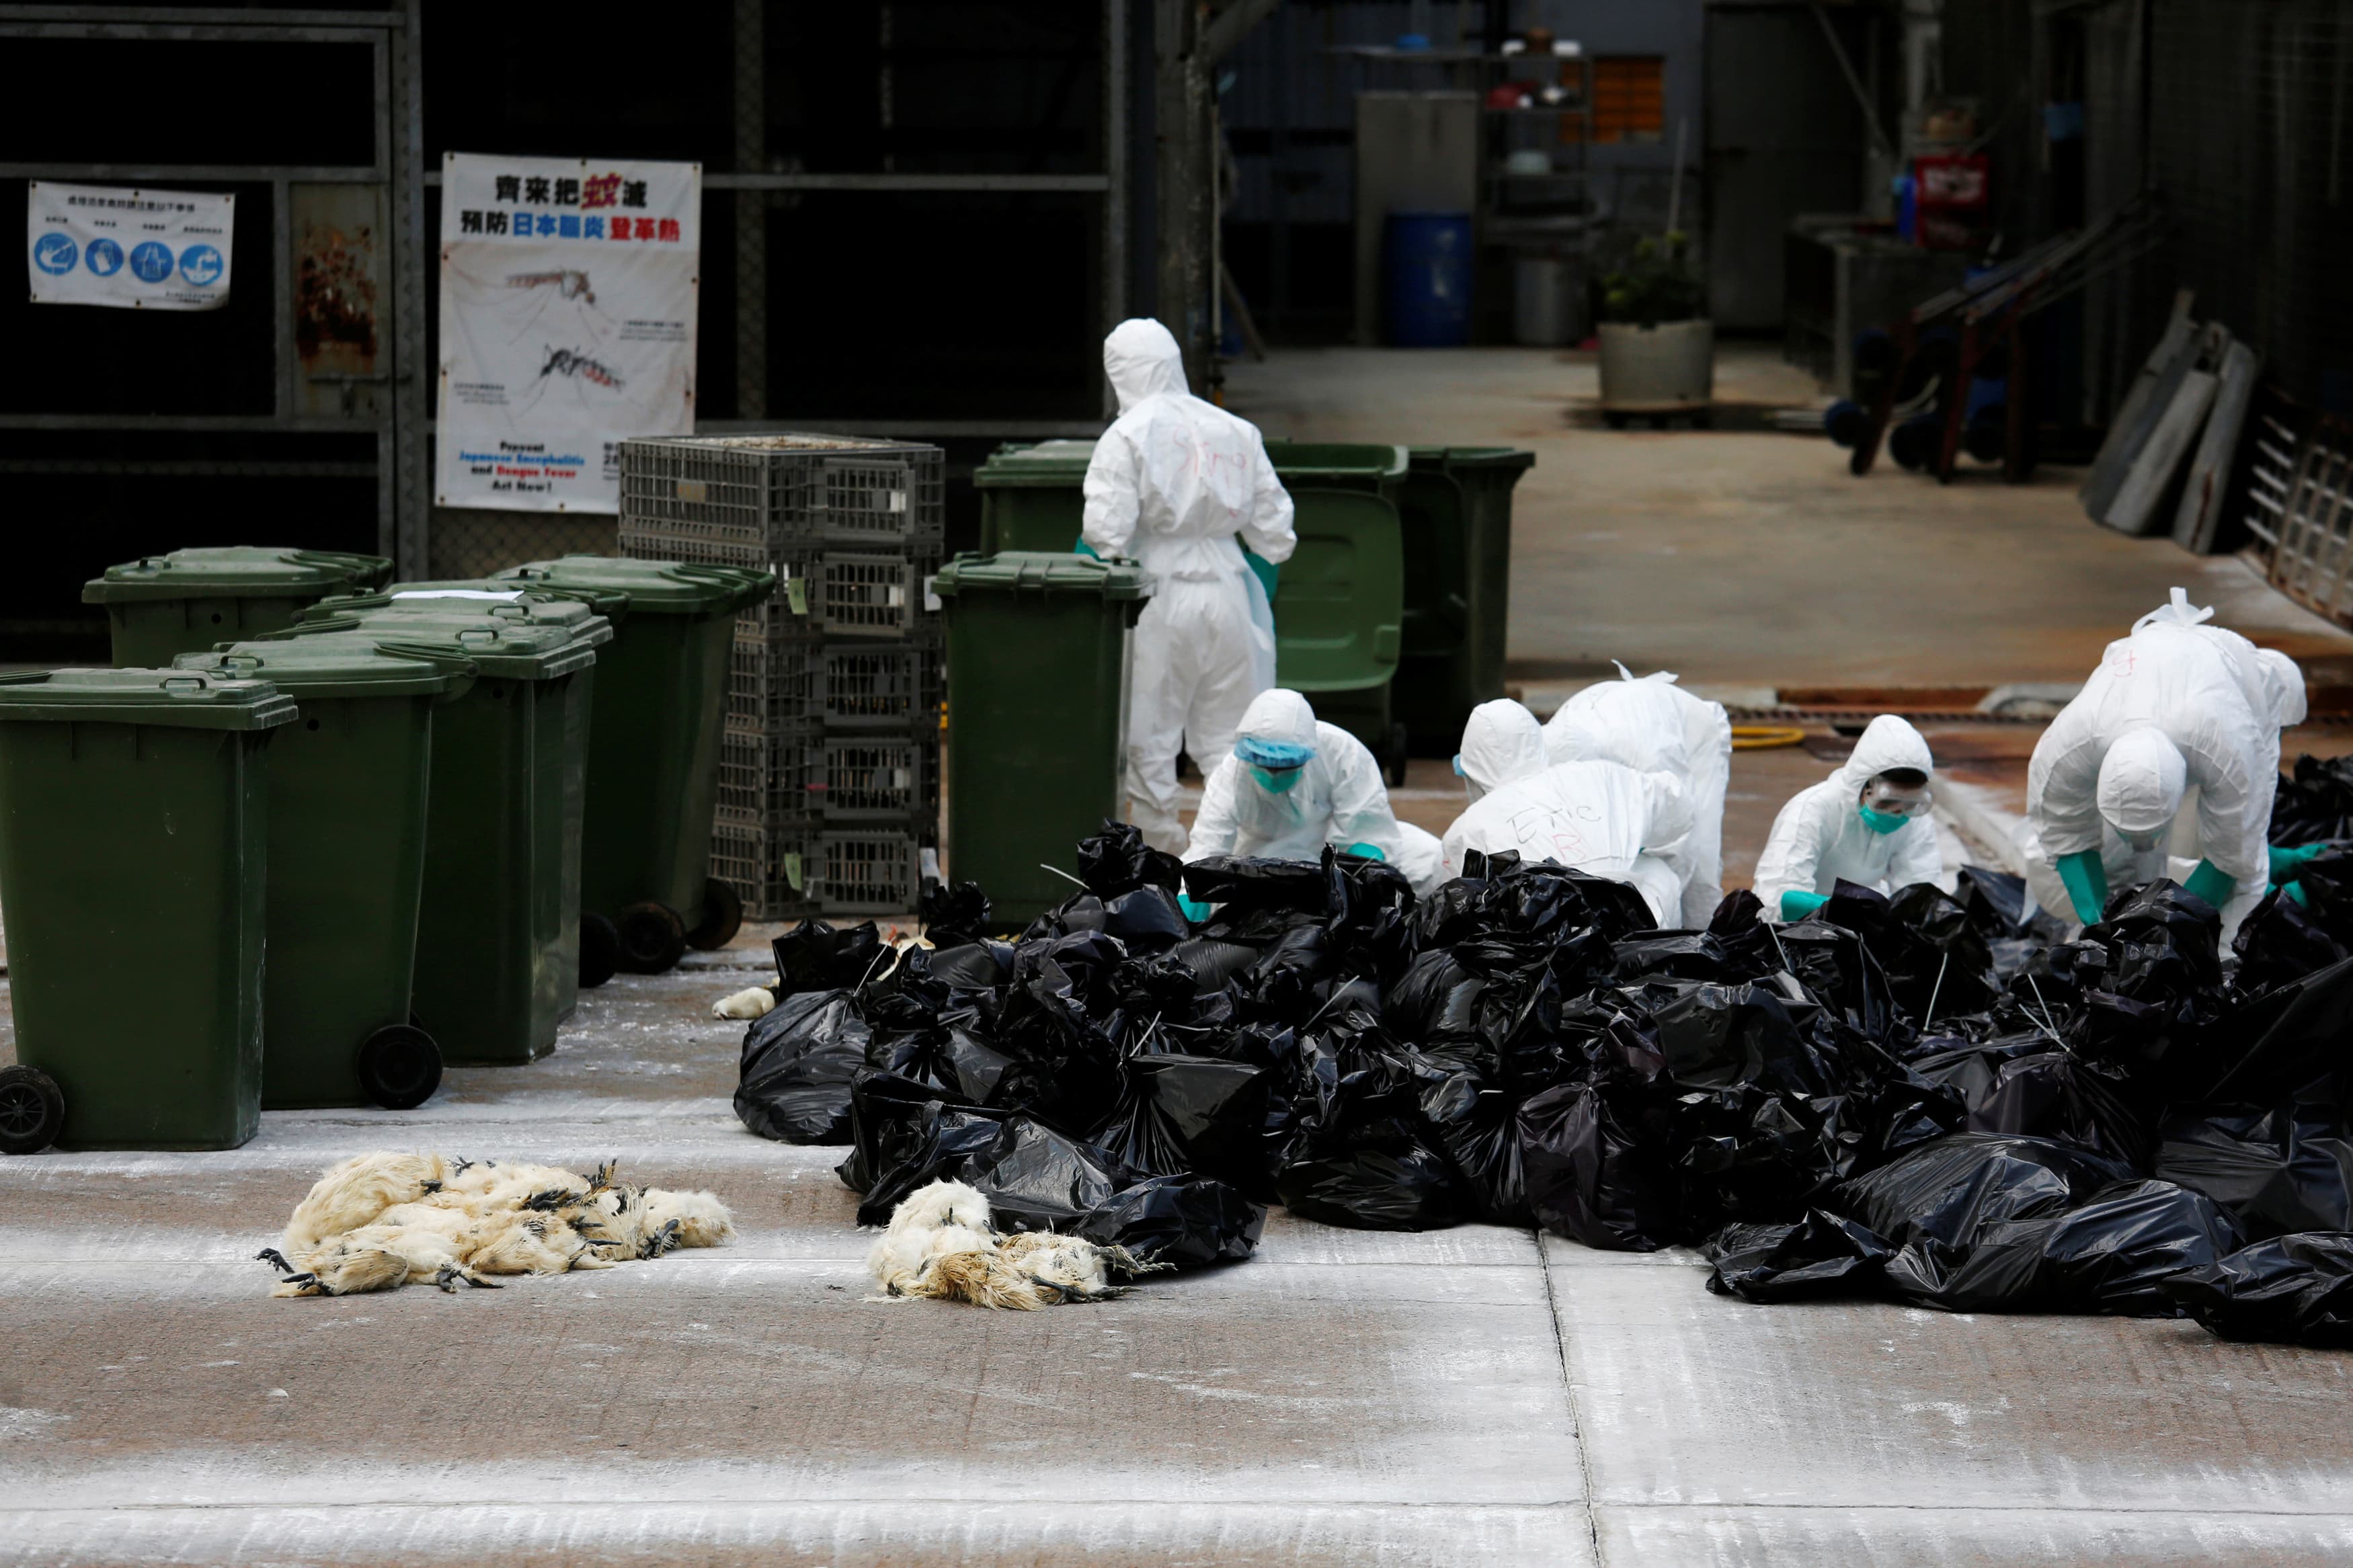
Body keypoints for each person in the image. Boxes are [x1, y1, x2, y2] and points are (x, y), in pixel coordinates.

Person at [1082, 317, 1296, 854]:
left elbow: (1106, 535)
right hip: (1228, 587)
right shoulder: (1234, 430)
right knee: (1229, 737)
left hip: (1157, 593)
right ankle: (1233, 858)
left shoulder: (1128, 435)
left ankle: (1163, 854)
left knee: (1149, 736)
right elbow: (1276, 533)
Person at [2024, 588, 2309, 946]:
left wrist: (2173, 928)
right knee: (2124, 859)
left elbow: (2231, 855)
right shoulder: (2067, 745)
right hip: (2145, 674)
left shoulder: (2229, 742)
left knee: (2242, 870)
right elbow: (2064, 834)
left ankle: (2225, 967)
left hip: (2219, 689)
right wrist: (2096, 922)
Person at [1441, 700, 1691, 925]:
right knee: (1656, 869)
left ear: (1472, 771)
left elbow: (1458, 907)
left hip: (1545, 952)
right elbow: (1678, 810)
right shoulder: (1600, 775)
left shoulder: (1467, 828)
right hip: (1639, 923)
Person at [1185, 688, 1445, 899]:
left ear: (1310, 751)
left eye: (1287, 765)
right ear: (1248, 754)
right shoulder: (1230, 774)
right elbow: (1208, 847)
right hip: (1263, 859)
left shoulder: (1341, 751)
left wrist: (1356, 882)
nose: (1275, 773)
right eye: (1266, 764)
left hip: (1339, 848)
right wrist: (1189, 905)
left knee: (1430, 859)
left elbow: (1368, 828)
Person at [1542, 662, 1732, 926]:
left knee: (1700, 861)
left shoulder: (1650, 761)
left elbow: (1679, 840)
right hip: (1617, 712)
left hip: (1694, 732)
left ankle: (1705, 938)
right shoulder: (1550, 751)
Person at [1752, 714, 1948, 922]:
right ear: (1864, 785)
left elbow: (1921, 893)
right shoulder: (1812, 811)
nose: (1897, 813)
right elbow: (1779, 894)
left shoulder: (1914, 820)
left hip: (1865, 923)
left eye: (1909, 804)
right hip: (1807, 926)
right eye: (1886, 803)